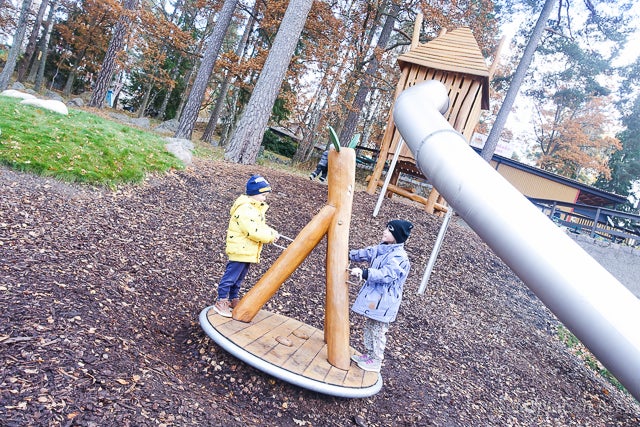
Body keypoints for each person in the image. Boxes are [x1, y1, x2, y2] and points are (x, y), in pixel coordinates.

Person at [348, 219, 413, 372]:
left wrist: (365, 273)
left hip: (385, 302)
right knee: (370, 327)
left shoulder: (399, 257)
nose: (385, 231)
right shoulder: (383, 249)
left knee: (378, 330)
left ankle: (376, 361)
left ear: (397, 236)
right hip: (376, 299)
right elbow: (367, 253)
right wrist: (349, 254)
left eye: (389, 230)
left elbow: (386, 274)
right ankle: (370, 354)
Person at [214, 174, 279, 317]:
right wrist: (269, 237)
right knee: (230, 278)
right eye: (263, 195)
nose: (264, 199)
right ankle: (221, 301)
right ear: (254, 193)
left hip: (247, 251)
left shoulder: (254, 209)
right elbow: (252, 231)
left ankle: (233, 299)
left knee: (238, 279)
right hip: (240, 250)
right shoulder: (245, 209)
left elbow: (260, 226)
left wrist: (272, 232)